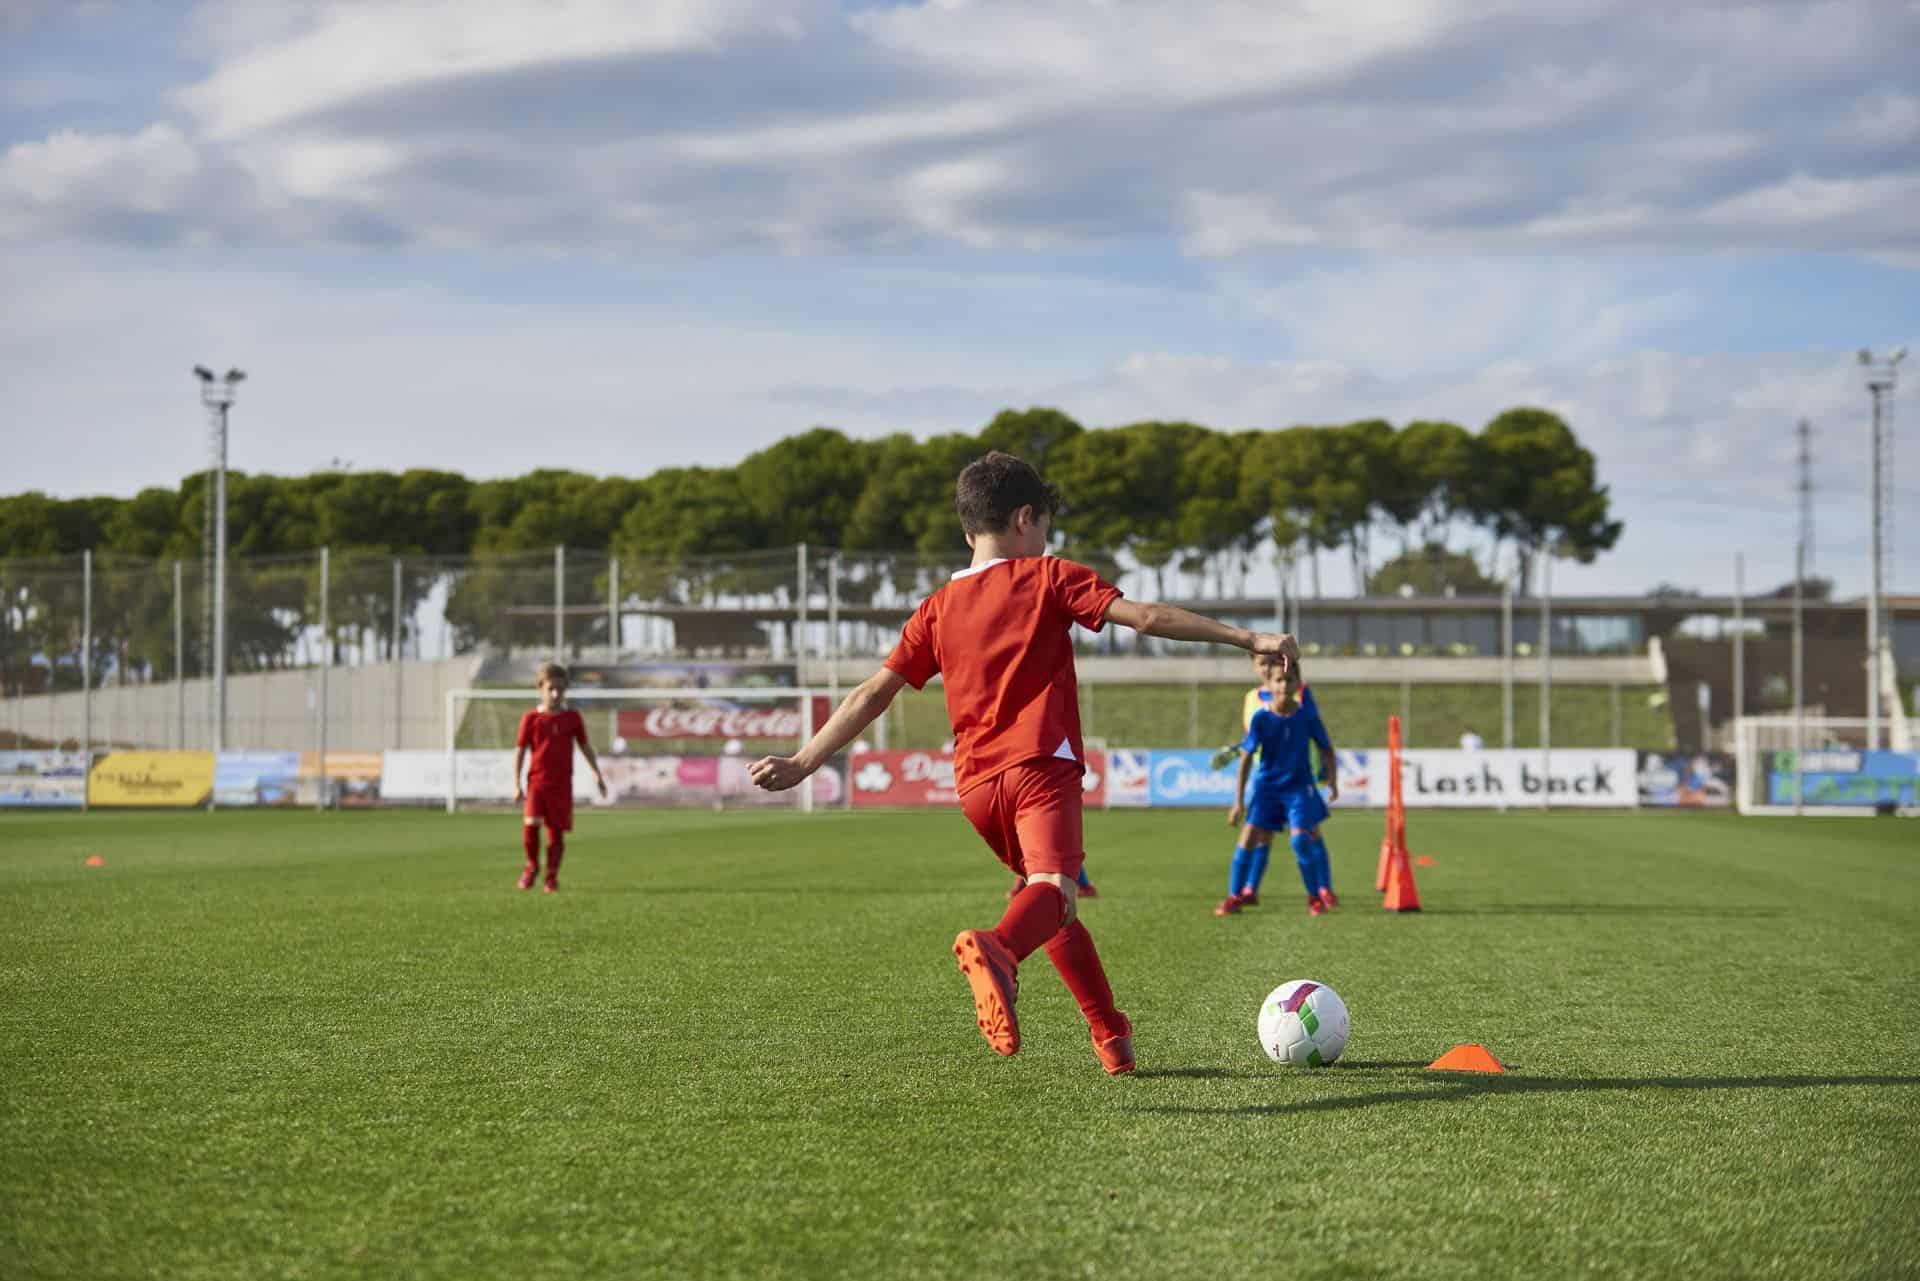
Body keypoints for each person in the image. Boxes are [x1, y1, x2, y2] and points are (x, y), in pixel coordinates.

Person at [751, 451, 1294, 1074]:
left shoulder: (935, 609)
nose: (1044, 540)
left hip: (977, 789)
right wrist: (1250, 639)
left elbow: (872, 692)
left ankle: (1111, 1035)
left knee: (1051, 899)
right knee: (1050, 894)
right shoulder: (1048, 577)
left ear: (966, 531)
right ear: (1025, 518)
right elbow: (1144, 617)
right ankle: (1000, 950)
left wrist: (802, 761)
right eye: (1043, 527)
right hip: (1039, 764)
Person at [1225, 654, 1339, 917]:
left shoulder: (1307, 716)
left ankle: (1315, 897)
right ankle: (1234, 896)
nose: (1284, 685)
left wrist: (1331, 778)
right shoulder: (1261, 719)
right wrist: (1238, 802)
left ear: (1298, 683)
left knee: (1301, 839)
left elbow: (1326, 748)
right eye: (1279, 680)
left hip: (1299, 788)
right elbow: (1245, 758)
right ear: (1270, 683)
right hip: (1266, 787)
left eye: (1289, 680)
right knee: (1249, 837)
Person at [513, 661, 607, 893]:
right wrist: (516, 783)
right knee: (531, 824)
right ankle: (532, 866)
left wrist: (597, 773)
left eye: (560, 689)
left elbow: (585, 746)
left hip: (562, 784)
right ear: (540, 689)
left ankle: (551, 877)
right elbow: (520, 750)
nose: (555, 694)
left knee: (555, 834)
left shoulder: (572, 718)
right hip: (536, 783)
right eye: (550, 689)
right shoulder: (531, 719)